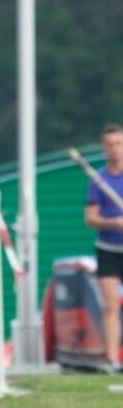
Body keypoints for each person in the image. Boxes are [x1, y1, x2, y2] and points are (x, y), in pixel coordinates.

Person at [85, 123, 123, 372]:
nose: (115, 149)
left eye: (119, 144)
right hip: (109, 248)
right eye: (109, 145)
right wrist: (114, 222)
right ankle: (111, 359)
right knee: (110, 305)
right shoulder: (99, 180)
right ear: (103, 148)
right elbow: (90, 218)